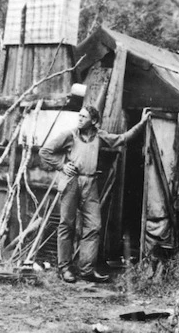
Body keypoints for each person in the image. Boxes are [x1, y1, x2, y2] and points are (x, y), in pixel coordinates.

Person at [39, 105, 151, 283]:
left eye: (84, 117)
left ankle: (86, 269)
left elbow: (122, 139)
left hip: (90, 183)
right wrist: (62, 166)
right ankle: (65, 269)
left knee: (94, 226)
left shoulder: (100, 136)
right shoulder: (70, 135)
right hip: (72, 181)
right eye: (79, 116)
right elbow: (45, 152)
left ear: (93, 121)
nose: (80, 119)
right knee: (66, 225)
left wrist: (142, 123)